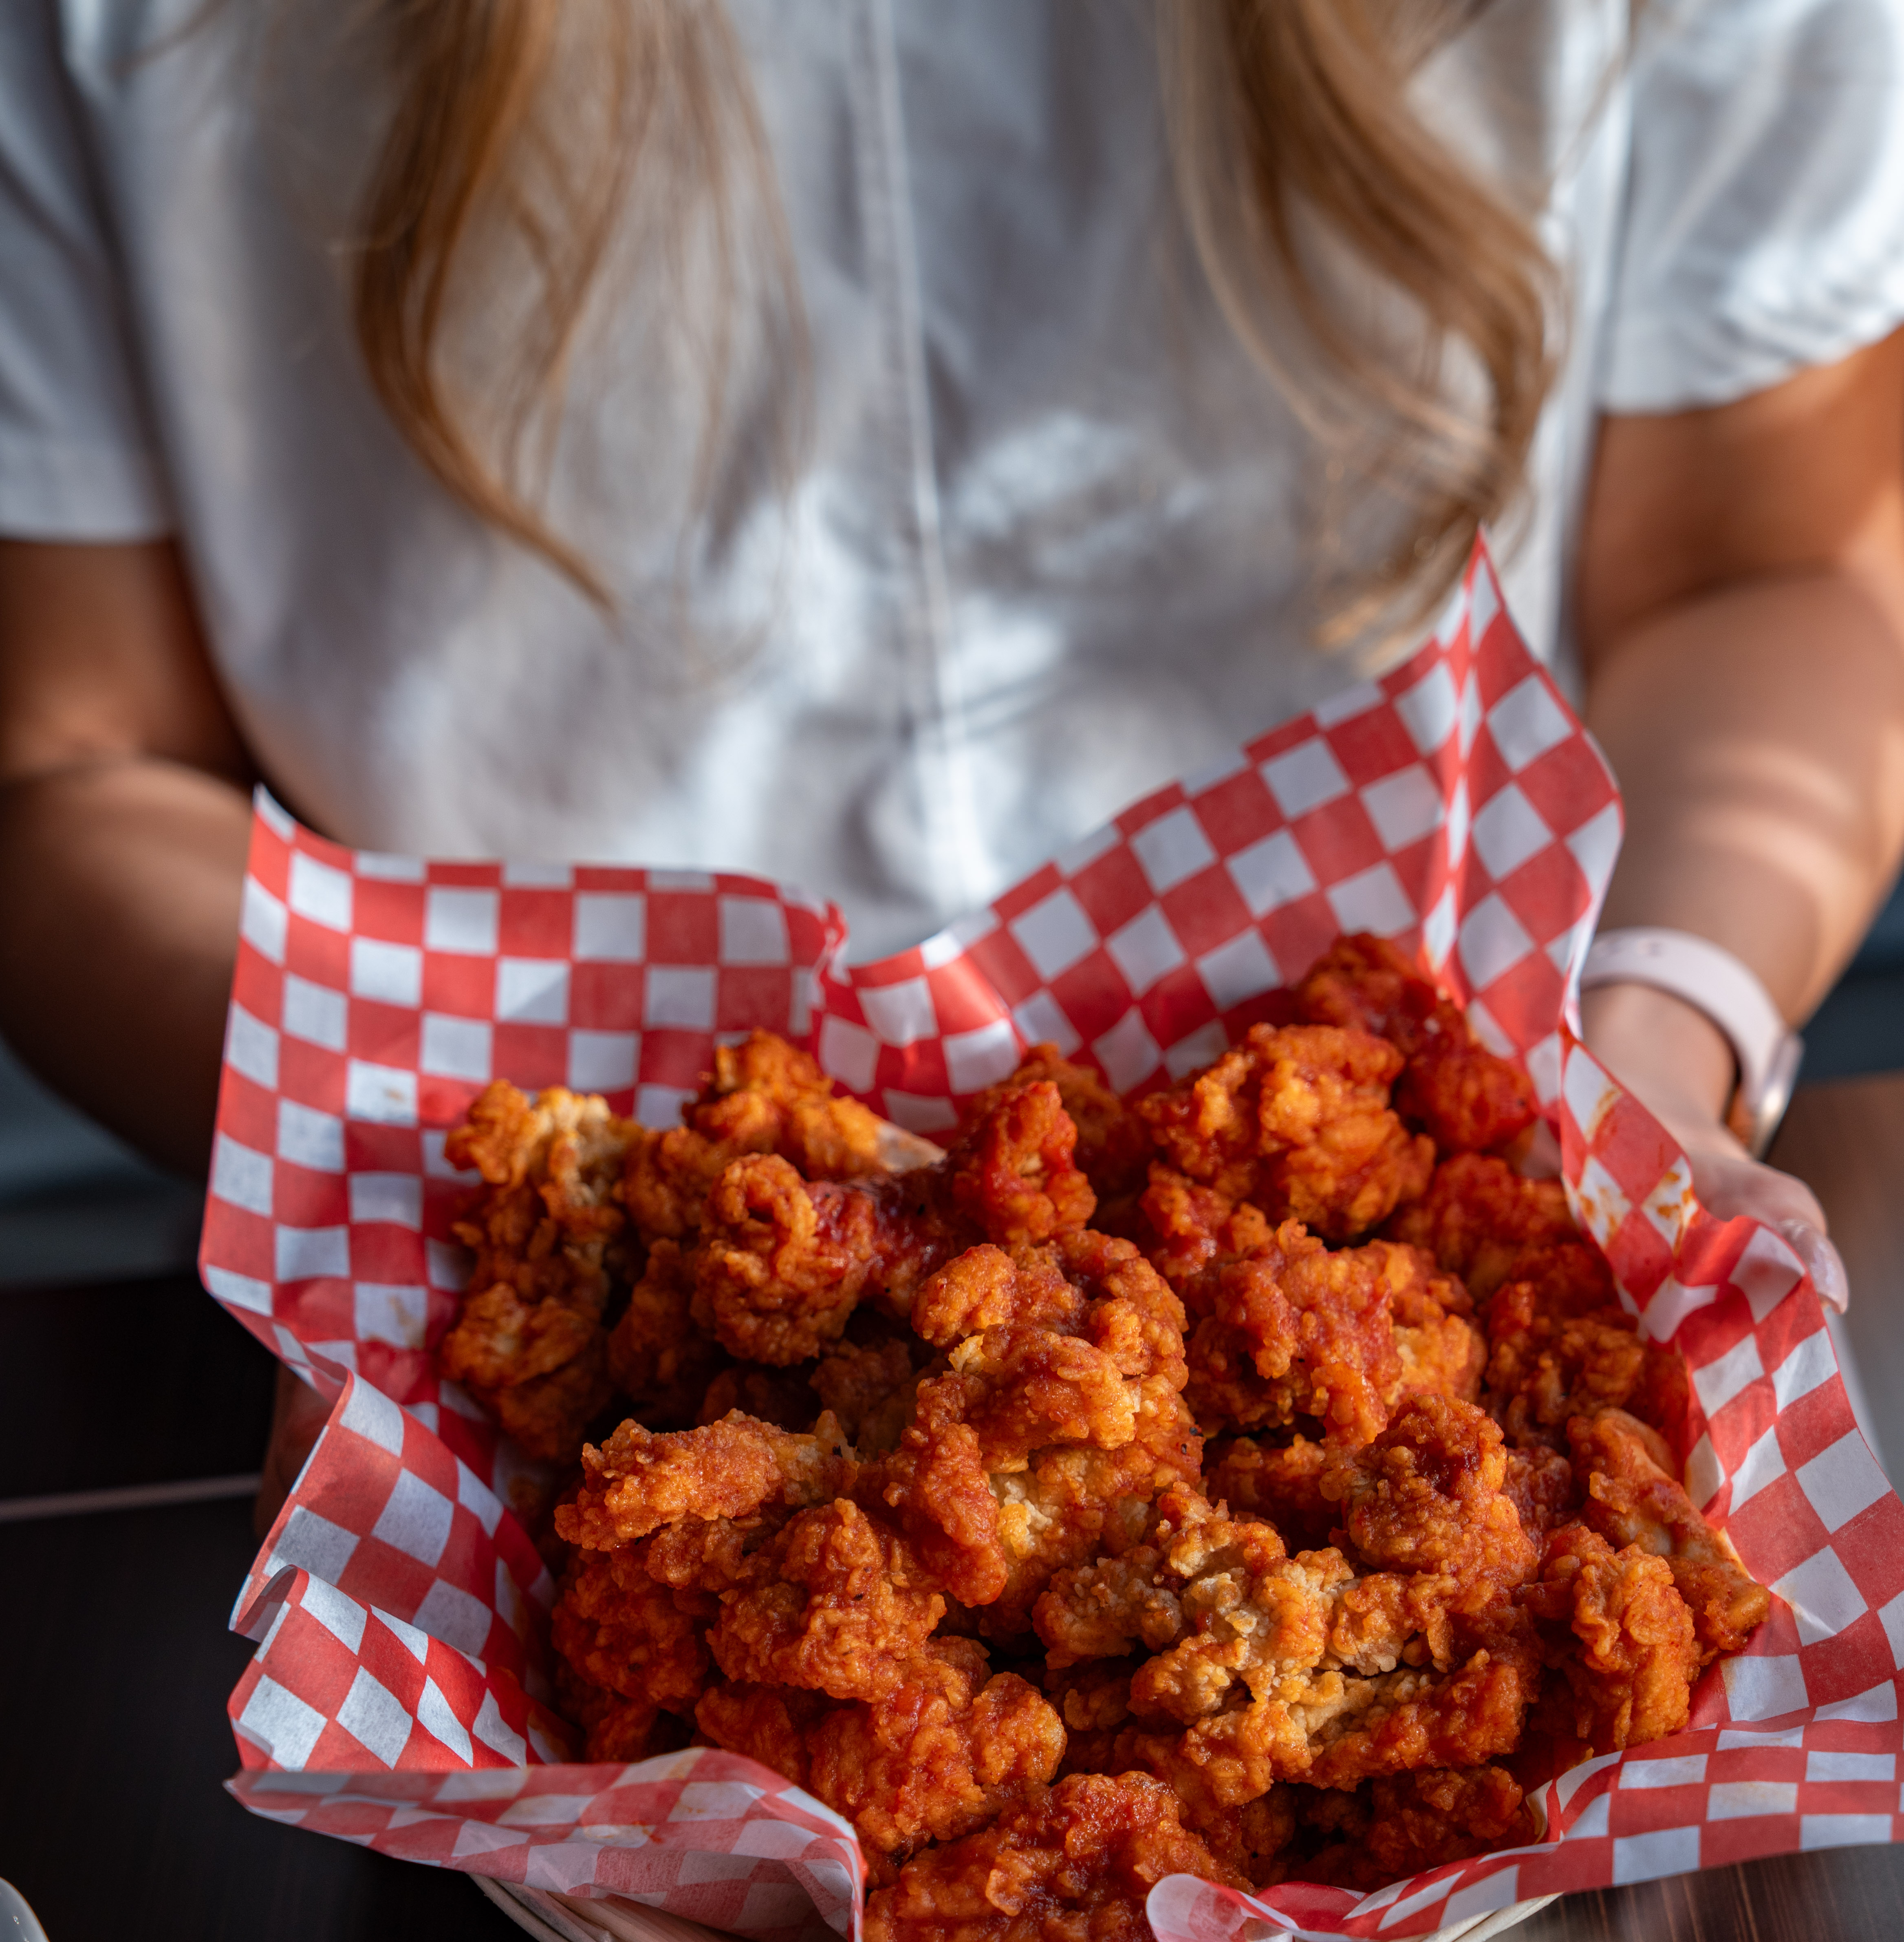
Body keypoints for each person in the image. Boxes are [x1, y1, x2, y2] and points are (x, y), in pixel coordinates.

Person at [0, 0, 1901, 1517]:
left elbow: (1772, 561)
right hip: (541, 1283)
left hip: (1430, 1182)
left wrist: (1644, 1047)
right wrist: (466, 1215)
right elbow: (69, 762)